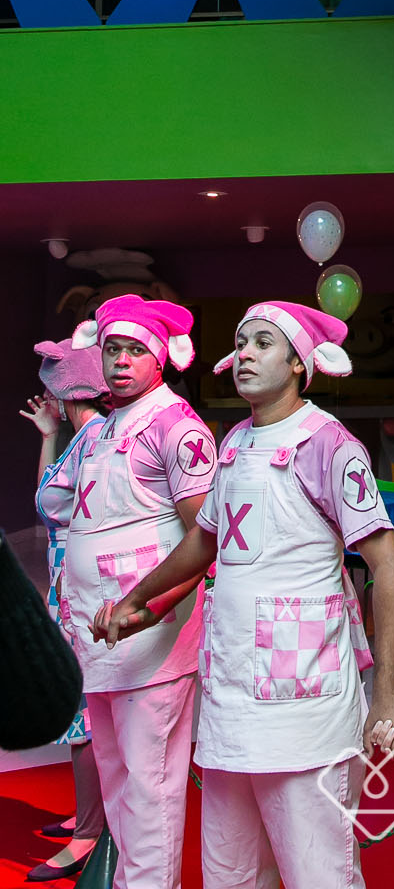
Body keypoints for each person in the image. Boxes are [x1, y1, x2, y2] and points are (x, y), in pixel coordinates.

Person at [97, 300, 394, 889]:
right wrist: (137, 597)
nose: (244, 353)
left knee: (319, 872)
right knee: (231, 873)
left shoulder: (329, 445)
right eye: (241, 342)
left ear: (299, 364)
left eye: (263, 343)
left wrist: (389, 691)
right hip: (230, 707)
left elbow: (388, 563)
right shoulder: (234, 442)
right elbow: (205, 539)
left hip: (305, 711)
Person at [59, 294, 215, 889]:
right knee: (118, 783)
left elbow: (208, 536)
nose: (121, 361)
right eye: (112, 350)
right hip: (99, 639)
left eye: (134, 350)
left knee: (149, 791)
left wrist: (152, 606)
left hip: (149, 641)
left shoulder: (176, 426)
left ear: (161, 358)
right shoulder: (104, 428)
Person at [19, 338, 110, 881]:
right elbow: (48, 505)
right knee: (82, 710)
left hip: (84, 591)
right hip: (68, 586)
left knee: (86, 715)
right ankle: (88, 815)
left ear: (66, 388)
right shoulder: (82, 439)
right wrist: (49, 436)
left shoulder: (98, 440)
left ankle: (90, 832)